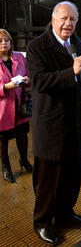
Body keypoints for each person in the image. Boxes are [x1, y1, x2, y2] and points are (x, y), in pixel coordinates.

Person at [26, 1, 81, 246]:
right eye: (64, 18)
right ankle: (42, 222)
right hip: (51, 124)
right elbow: (40, 82)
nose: (69, 24)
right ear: (53, 19)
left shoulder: (77, 42)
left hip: (74, 123)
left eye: (73, 19)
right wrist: (71, 72)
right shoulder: (37, 47)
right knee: (48, 178)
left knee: (72, 175)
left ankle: (64, 214)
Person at [0, 29, 32, 183]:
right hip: (3, 109)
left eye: (6, 40)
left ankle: (24, 160)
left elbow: (28, 75)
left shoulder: (19, 57)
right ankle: (5, 168)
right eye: (0, 41)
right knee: (3, 140)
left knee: (22, 135)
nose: (3, 43)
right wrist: (6, 87)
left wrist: (27, 79)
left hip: (20, 105)